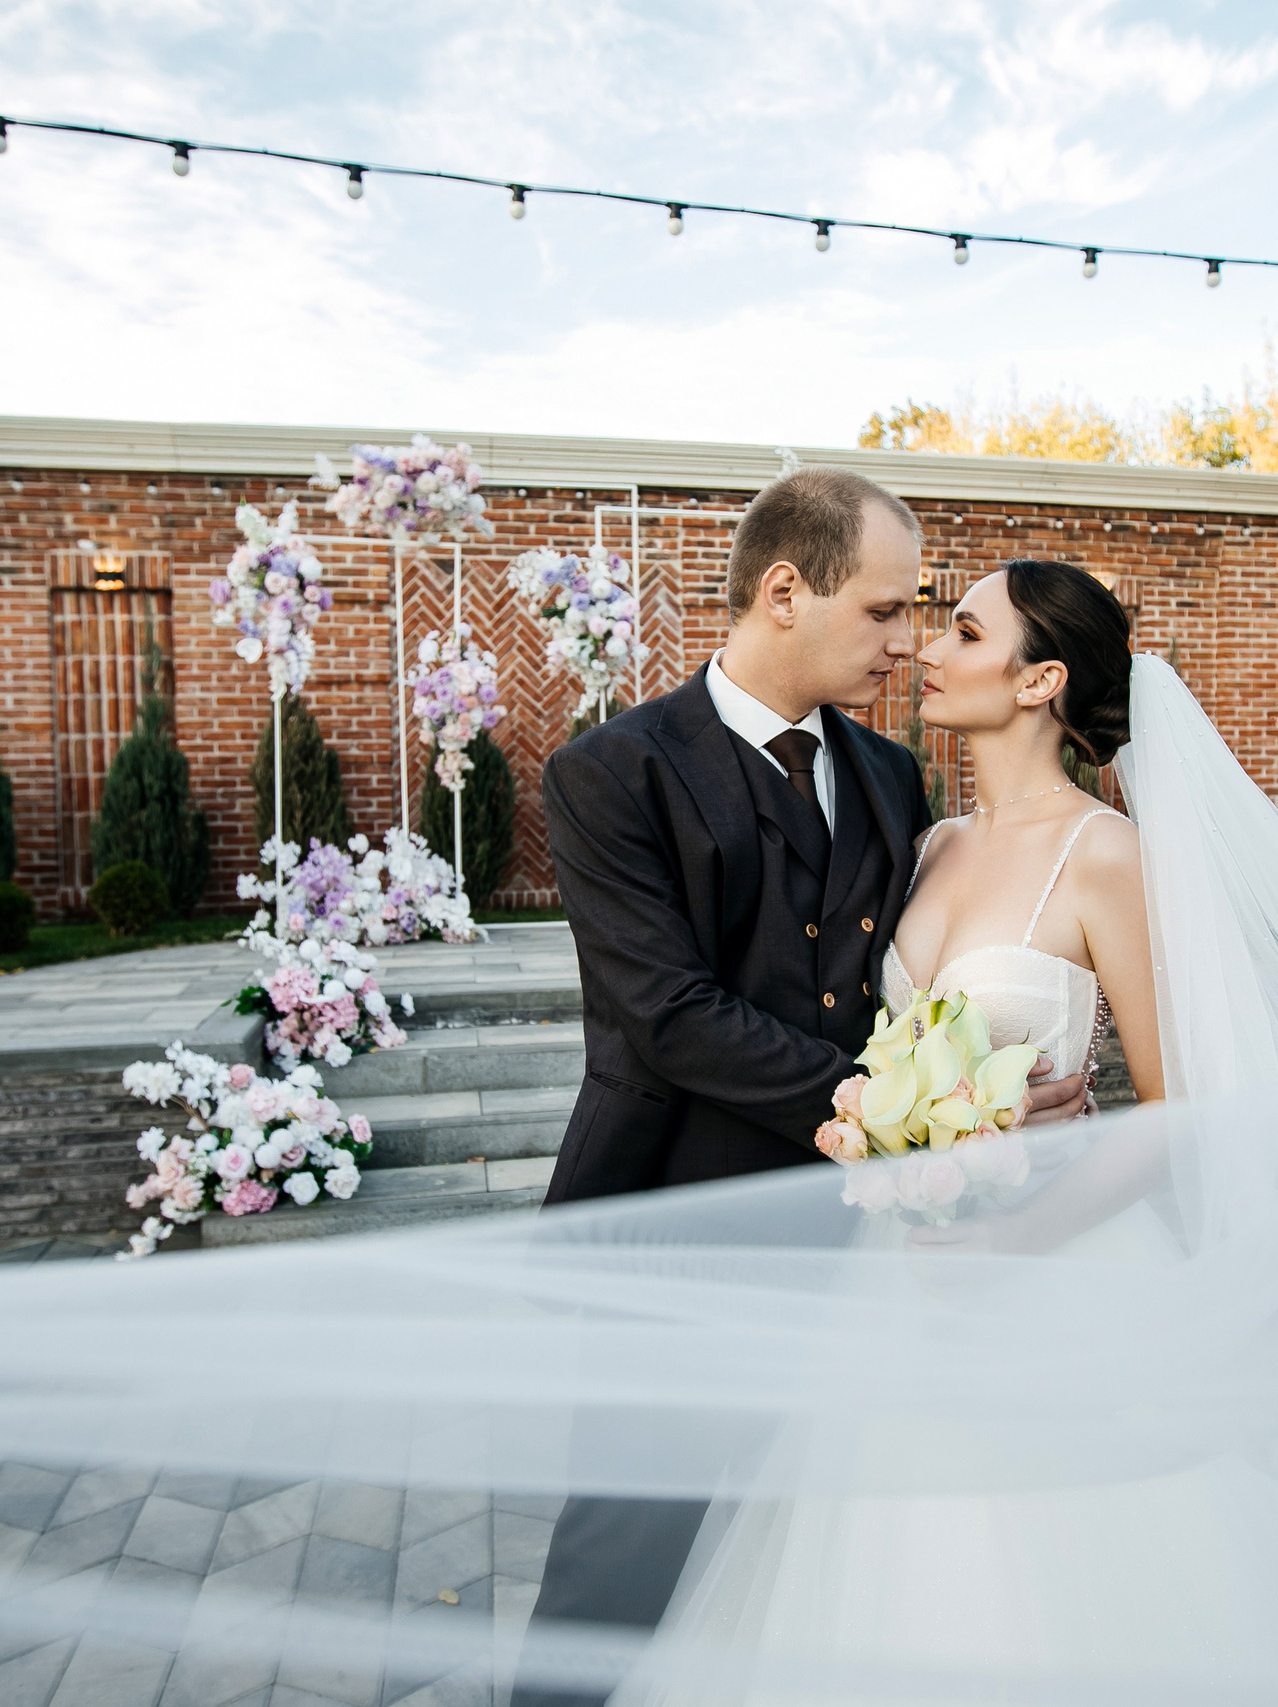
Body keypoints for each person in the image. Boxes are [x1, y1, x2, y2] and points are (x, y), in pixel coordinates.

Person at [620, 562, 1278, 1703]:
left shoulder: (1107, 857)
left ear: (1038, 680)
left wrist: (1022, 1230)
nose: (925, 648)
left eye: (961, 631)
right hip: (897, 1279)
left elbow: (1185, 1112)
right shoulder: (925, 842)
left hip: (1058, 1267)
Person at [518, 476, 1090, 1706]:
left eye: (923, 617)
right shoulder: (611, 774)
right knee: (621, 1567)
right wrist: (917, 1111)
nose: (908, 642)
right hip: (670, 1236)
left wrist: (985, 1087)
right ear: (786, 589)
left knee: (809, 1562)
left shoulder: (891, 780)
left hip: (867, 1255)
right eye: (886, 610)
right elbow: (665, 1015)